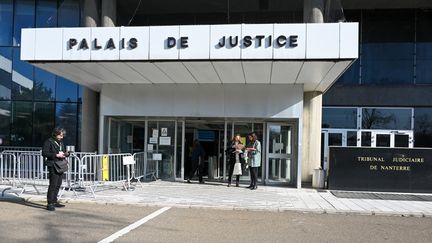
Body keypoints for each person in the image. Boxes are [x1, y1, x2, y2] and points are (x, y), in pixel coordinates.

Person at [42, 127, 70, 211]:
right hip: (53, 164)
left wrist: (66, 154)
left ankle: (54, 201)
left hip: (60, 164)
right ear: (56, 134)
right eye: (60, 135)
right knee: (53, 184)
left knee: (58, 184)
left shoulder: (61, 142)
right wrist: (56, 155)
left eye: (62, 135)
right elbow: (44, 153)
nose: (62, 137)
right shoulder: (49, 141)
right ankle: (49, 203)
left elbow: (63, 151)